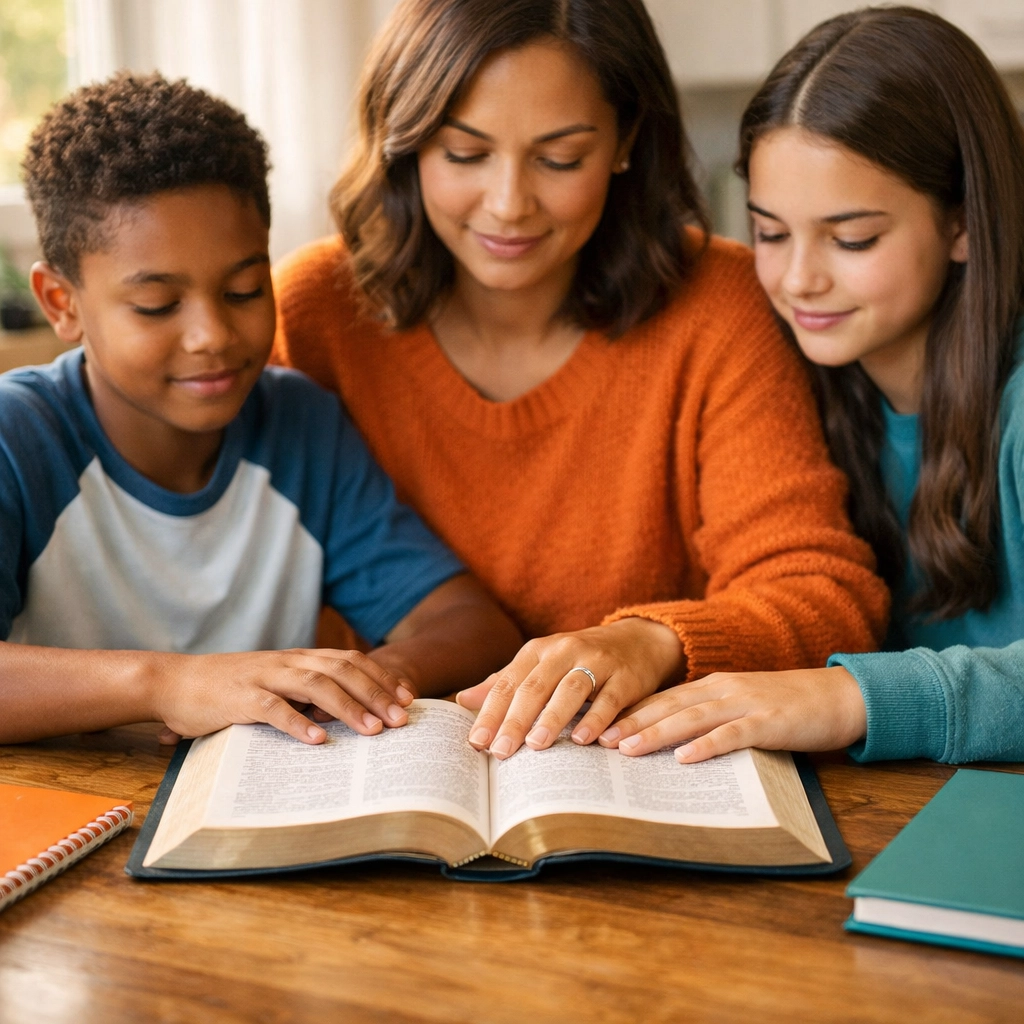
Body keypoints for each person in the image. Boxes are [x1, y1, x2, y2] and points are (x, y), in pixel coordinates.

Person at [272, 0, 889, 761]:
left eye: (559, 158)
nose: (508, 204)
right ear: (405, 143)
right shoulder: (313, 312)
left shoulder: (717, 305)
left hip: (644, 778)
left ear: (626, 140)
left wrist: (651, 640)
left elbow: (826, 595)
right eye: (465, 155)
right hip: (380, 771)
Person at [0, 72, 521, 746]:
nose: (212, 335)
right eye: (157, 305)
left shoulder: (299, 427)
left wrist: (362, 679)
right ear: (61, 303)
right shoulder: (19, 438)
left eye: (245, 290)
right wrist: (168, 685)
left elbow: (471, 626)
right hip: (68, 823)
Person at [606, 7, 1024, 766]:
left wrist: (847, 697)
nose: (799, 280)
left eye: (852, 238)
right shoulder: (795, 378)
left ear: (963, 223)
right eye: (770, 232)